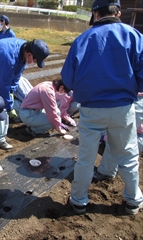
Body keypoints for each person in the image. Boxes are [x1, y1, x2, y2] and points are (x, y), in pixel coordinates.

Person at [61, 0, 143, 215]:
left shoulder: (83, 39)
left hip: (91, 109)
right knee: (127, 155)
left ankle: (78, 200)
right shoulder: (132, 35)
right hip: (122, 107)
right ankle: (133, 200)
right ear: (118, 11)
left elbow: (68, 78)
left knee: (86, 158)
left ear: (95, 14)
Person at [0, 38, 49, 156]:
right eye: (35, 60)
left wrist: (12, 92)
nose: (34, 62)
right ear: (29, 54)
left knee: (2, 107)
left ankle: (1, 138)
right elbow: (4, 84)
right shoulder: (8, 58)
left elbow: (16, 76)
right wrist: (8, 104)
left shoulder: (23, 53)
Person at [94, 93, 143, 183]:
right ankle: (117, 163)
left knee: (114, 140)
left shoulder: (137, 105)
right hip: (132, 100)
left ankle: (106, 172)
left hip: (137, 138)